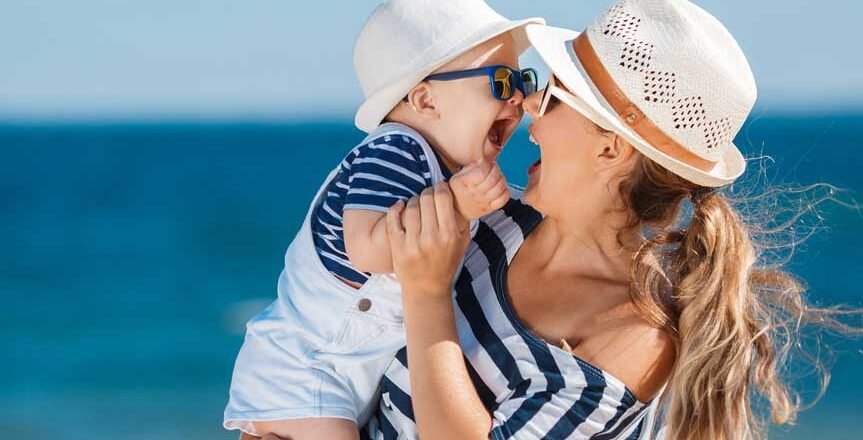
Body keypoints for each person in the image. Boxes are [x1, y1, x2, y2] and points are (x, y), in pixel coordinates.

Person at [365, 0, 861, 439]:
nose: (530, 115)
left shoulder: (633, 341)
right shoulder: (489, 221)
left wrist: (427, 293)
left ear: (610, 148)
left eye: (553, 98)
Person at [223, 0, 543, 439]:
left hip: (345, 372)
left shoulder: (443, 167)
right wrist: (456, 204)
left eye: (524, 79)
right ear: (426, 100)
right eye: (502, 82)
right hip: (305, 366)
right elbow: (367, 247)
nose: (519, 99)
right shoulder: (396, 150)